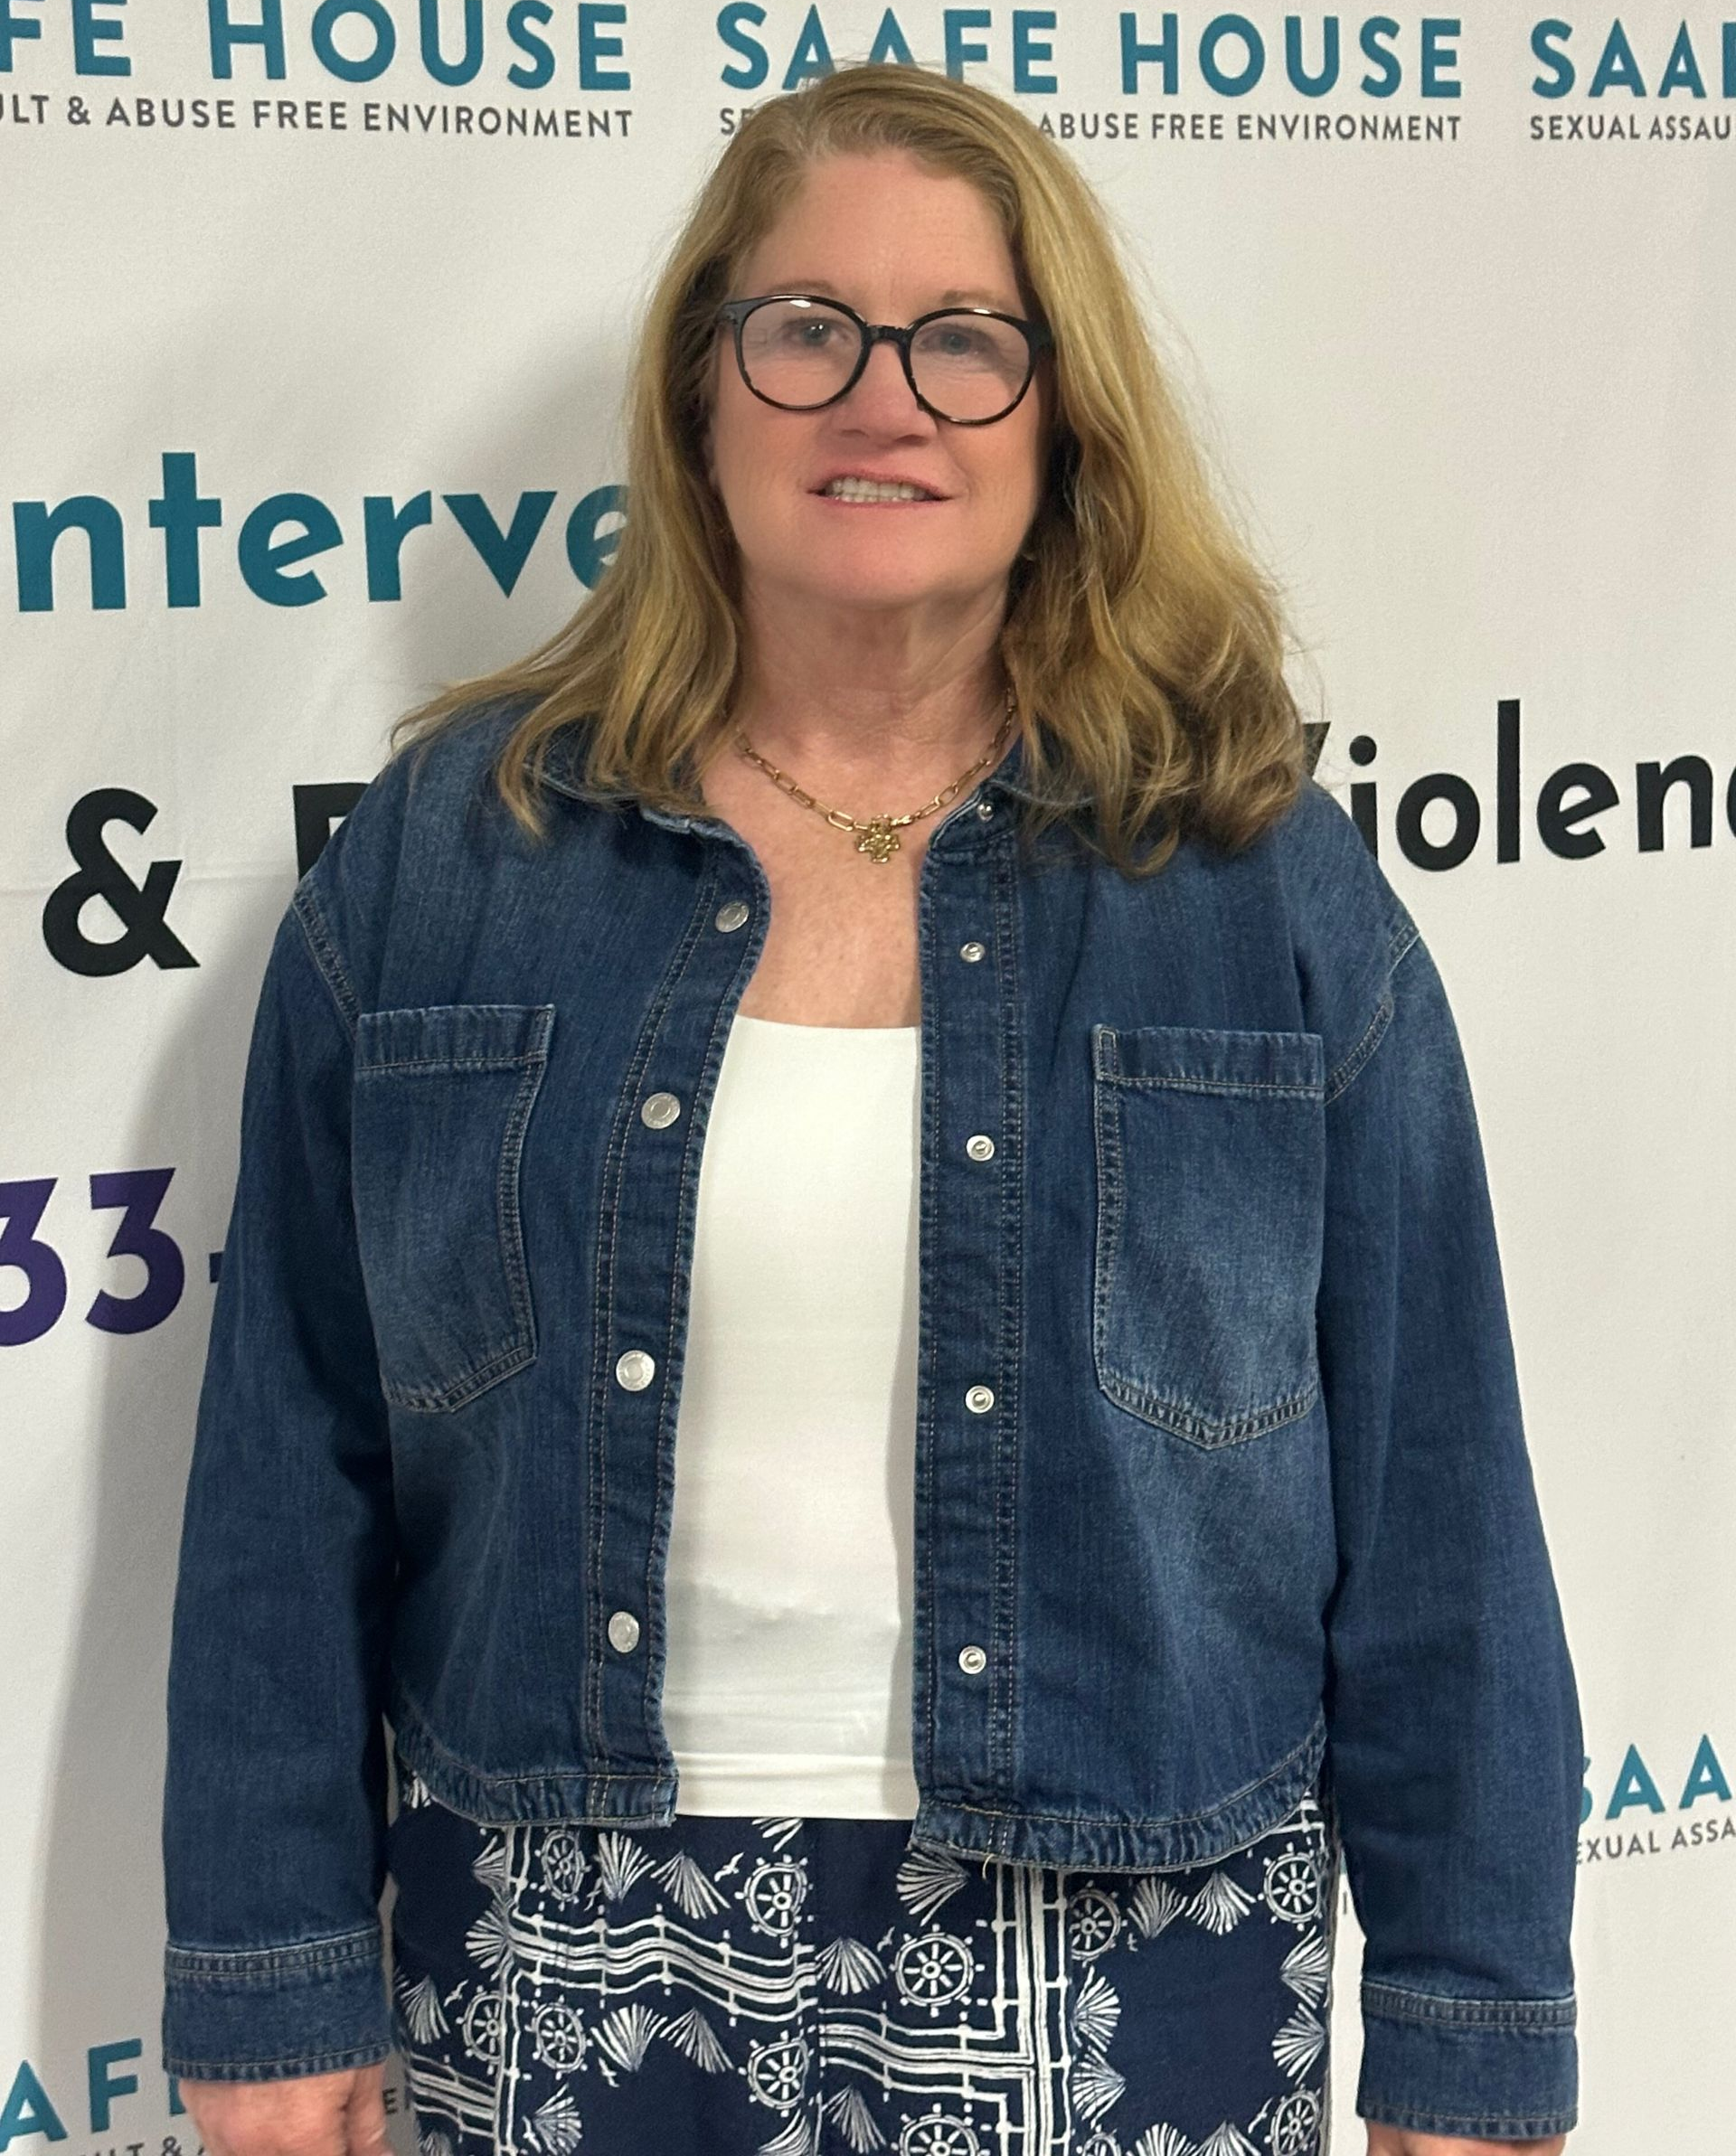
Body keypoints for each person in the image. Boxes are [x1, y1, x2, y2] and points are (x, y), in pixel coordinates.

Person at [159, 60, 1581, 2156]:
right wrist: (271, 1971)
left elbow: (1438, 1492)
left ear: (1062, 415)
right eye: (806, 326)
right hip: (559, 1937)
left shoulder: (1257, 882)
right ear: (703, 390)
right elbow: (292, 1460)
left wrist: (1475, 2027)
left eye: (965, 342)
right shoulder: (454, 864)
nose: (880, 396)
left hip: (1142, 1947)